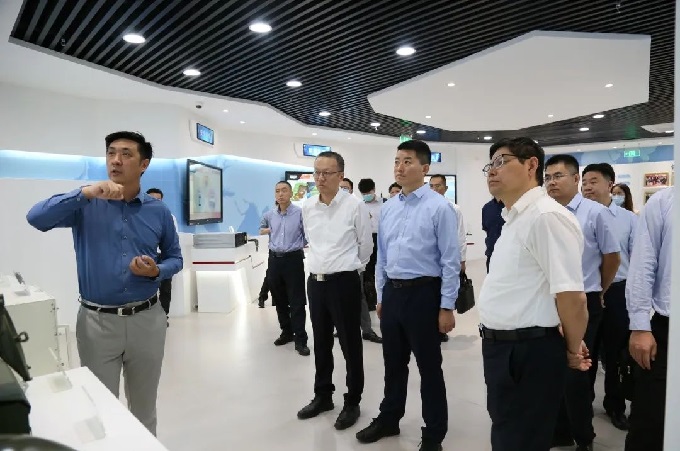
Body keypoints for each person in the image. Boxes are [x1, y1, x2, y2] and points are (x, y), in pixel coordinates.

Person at [26, 131, 183, 435]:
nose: (116, 160)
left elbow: (175, 258)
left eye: (126, 154)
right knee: (100, 409)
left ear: (144, 164)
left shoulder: (158, 211)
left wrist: (156, 271)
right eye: (111, 153)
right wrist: (85, 192)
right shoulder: (86, 204)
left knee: (144, 410)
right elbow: (36, 218)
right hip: (97, 322)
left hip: (147, 320)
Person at [478, 137, 589, 451]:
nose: (492, 171)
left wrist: (572, 349)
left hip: (528, 351)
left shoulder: (545, 216)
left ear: (531, 165)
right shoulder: (515, 218)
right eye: (489, 165)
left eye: (501, 161)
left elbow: (572, 296)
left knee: (521, 440)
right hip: (504, 348)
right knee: (507, 431)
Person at [356, 140, 459, 451]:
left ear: (424, 168)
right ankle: (389, 418)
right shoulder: (389, 207)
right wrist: (381, 296)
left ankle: (434, 434)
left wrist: (446, 306)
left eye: (407, 161)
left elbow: (450, 260)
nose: (399, 167)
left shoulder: (440, 208)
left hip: (424, 294)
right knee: (393, 363)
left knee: (429, 368)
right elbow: (382, 257)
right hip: (393, 294)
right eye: (397, 161)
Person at [545, 154, 621, 451]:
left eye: (558, 176)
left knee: (577, 371)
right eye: (548, 177)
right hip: (549, 300)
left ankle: (583, 437)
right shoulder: (545, 212)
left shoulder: (595, 213)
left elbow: (612, 257)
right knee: (553, 368)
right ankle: (559, 430)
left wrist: (599, 290)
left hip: (583, 299)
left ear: (576, 179)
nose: (551, 182)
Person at [297, 151, 373, 432]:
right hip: (315, 282)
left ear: (340, 175)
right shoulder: (307, 206)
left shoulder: (354, 205)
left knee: (350, 344)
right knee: (321, 342)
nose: (320, 178)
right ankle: (323, 395)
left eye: (326, 173)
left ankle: (352, 401)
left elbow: (366, 246)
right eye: (316, 172)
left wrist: (348, 268)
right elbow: (311, 240)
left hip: (344, 282)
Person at [581, 163, 637, 430]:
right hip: (587, 293)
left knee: (615, 353)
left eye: (593, 181)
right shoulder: (574, 215)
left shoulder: (628, 219)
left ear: (610, 184)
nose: (587, 187)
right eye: (584, 182)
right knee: (586, 351)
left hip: (616, 292)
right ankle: (583, 405)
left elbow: (637, 259)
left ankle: (615, 405)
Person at [625, 187, 672, 451]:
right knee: (650, 418)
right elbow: (643, 263)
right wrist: (640, 325)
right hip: (669, 328)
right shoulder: (665, 201)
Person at [259, 181, 309, 356]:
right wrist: (266, 231)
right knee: (279, 299)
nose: (280, 194)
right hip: (274, 260)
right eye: (277, 191)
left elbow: (307, 235)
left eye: (284, 190)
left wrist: (298, 245)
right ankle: (287, 332)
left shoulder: (300, 213)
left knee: (297, 301)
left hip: (293, 260)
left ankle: (301, 339)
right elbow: (261, 229)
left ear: (291, 193)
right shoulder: (269, 214)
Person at [428, 174, 467, 343]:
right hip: (431, 262)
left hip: (448, 259)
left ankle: (441, 329)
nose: (434, 189)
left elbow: (460, 236)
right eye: (431, 186)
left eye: (438, 186)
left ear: (446, 188)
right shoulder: (426, 207)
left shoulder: (453, 208)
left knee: (445, 294)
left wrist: (462, 260)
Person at [146, 188, 178, 325]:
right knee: (147, 288)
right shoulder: (140, 217)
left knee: (165, 289)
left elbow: (173, 242)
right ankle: (147, 318)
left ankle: (164, 316)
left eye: (158, 200)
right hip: (147, 257)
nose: (155, 202)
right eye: (152, 199)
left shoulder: (169, 217)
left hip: (163, 258)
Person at [358, 178, 381, 310]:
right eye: (364, 193)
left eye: (368, 192)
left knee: (384, 269)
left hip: (382, 238)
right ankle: (371, 301)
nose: (366, 195)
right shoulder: (360, 205)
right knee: (368, 271)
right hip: (367, 238)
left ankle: (385, 299)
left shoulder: (384, 203)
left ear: (374, 190)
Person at [481, 197, 504, 273]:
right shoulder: (486, 208)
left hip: (509, 256)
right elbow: (486, 228)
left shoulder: (512, 206)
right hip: (491, 254)